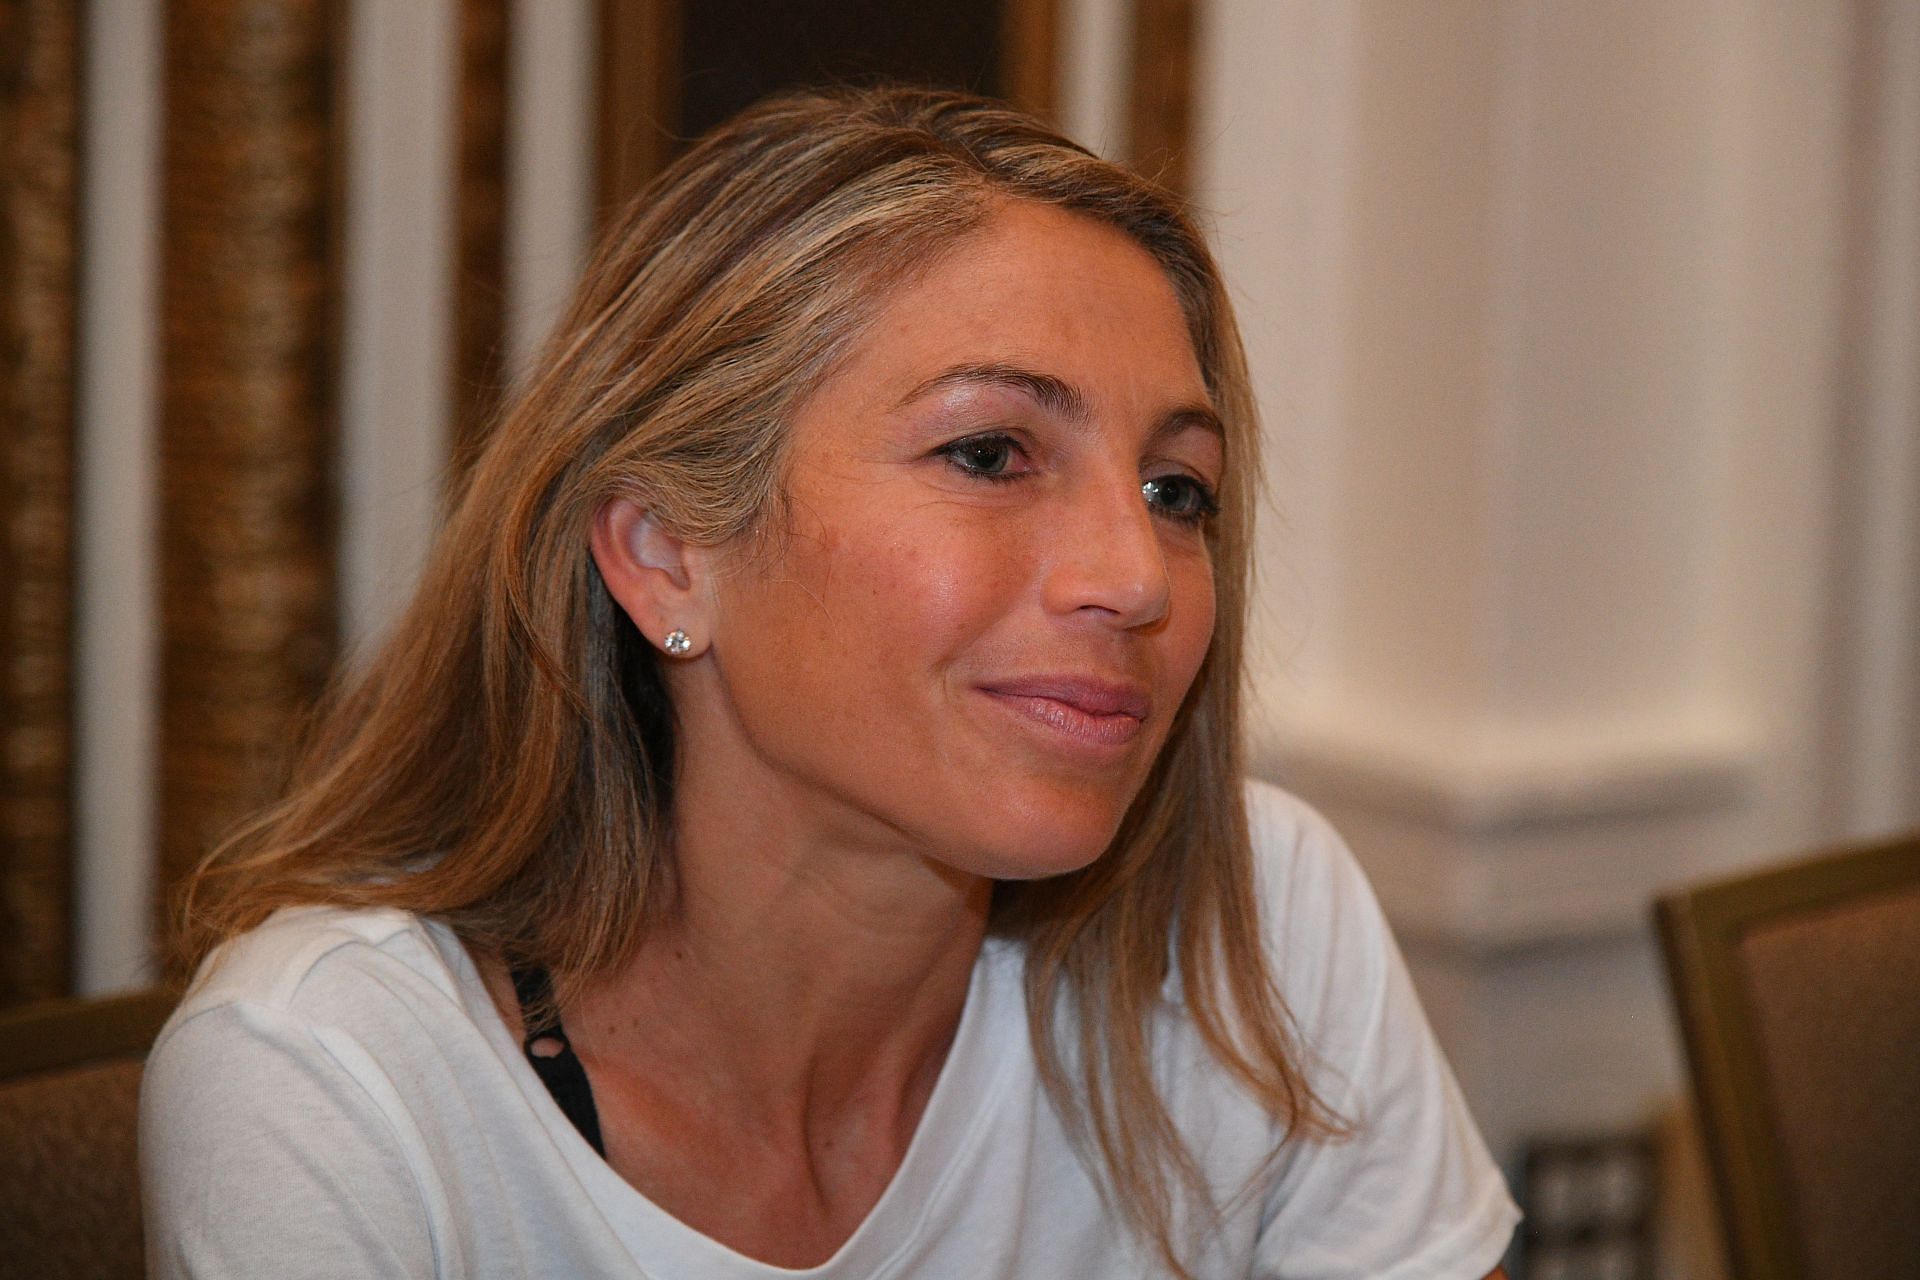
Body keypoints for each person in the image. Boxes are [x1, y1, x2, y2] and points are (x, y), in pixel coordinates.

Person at [140, 86, 1520, 1278]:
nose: (1139, 575)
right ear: (666, 554)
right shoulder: (339, 1080)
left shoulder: (1255, 933)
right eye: (990, 454)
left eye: (1178, 489)